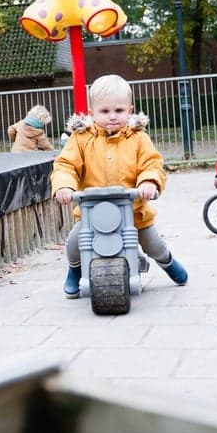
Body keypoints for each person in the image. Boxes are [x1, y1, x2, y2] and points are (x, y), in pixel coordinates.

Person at [51, 74, 187, 297]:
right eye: (105, 111)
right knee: (74, 244)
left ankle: (167, 262)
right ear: (92, 112)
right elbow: (66, 164)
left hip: (134, 213)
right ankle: (75, 270)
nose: (112, 117)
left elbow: (152, 163)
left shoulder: (138, 138)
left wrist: (148, 181)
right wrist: (64, 186)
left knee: (153, 244)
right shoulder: (81, 138)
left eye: (119, 111)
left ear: (130, 110)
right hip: (91, 215)